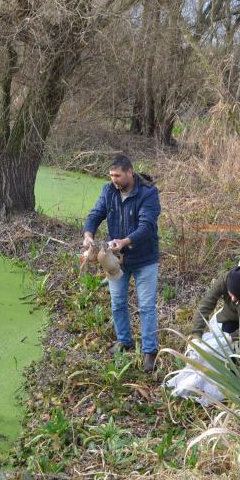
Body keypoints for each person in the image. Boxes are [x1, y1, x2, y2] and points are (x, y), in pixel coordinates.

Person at [83, 154, 161, 373]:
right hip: (116, 260)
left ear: (130, 172)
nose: (114, 180)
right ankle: (124, 341)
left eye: (117, 175)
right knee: (117, 302)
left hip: (144, 258)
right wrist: (88, 234)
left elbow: (147, 226)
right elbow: (96, 213)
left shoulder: (148, 193)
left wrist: (125, 241)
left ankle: (149, 351)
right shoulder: (108, 191)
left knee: (146, 306)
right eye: (111, 176)